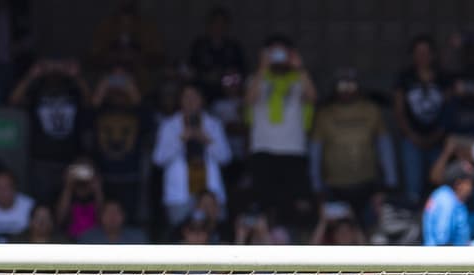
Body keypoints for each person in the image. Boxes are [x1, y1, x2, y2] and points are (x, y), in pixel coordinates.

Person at [310, 67, 397, 227]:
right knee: (338, 231)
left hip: (367, 184)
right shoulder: (325, 113)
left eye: (351, 85)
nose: (347, 90)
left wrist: (390, 181)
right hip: (335, 186)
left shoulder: (371, 109)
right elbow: (316, 150)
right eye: (342, 85)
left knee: (371, 228)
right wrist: (316, 186)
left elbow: (384, 146)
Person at [246, 34, 316, 229]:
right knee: (264, 203)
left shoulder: (299, 78)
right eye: (273, 52)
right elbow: (249, 100)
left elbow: (312, 97)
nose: (277, 57)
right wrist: (262, 67)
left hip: (293, 150)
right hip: (263, 149)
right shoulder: (256, 78)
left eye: (282, 52)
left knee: (294, 204)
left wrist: (299, 67)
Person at [9, 58, 90, 203]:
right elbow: (14, 100)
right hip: (41, 161)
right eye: (50, 65)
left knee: (72, 204)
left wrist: (77, 77)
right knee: (42, 205)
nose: (55, 69)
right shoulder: (37, 90)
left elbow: (91, 102)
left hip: (71, 161)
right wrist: (31, 76)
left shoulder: (72, 89)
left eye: (59, 65)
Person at [152, 83, 231, 228]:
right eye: (186, 97)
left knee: (214, 234)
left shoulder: (214, 124)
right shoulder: (169, 125)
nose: (190, 101)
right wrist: (180, 140)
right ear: (180, 100)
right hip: (179, 196)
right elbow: (158, 159)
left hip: (211, 194)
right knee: (180, 233)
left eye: (194, 97)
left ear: (201, 100)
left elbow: (225, 158)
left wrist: (207, 140)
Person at [88, 67, 147, 221]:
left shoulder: (137, 109)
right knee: (102, 221)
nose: (118, 86)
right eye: (114, 79)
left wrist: (131, 89)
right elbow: (85, 120)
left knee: (129, 222)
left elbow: (148, 123)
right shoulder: (100, 109)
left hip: (130, 177)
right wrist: (102, 88)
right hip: (103, 178)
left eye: (123, 80)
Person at [394, 35, 447, 204]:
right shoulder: (405, 78)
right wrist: (412, 136)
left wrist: (437, 135)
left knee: (439, 186)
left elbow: (449, 110)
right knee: (413, 188)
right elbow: (399, 111)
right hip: (411, 139)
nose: (422, 57)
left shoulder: (442, 77)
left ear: (433, 55)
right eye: (418, 52)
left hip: (437, 139)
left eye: (426, 52)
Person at [188, 6, 244, 103]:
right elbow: (190, 70)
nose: (218, 27)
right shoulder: (199, 46)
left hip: (227, 96)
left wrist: (226, 76)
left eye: (222, 24)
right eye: (215, 23)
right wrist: (205, 76)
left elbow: (241, 72)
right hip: (203, 93)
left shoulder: (234, 47)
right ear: (209, 25)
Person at [422, 161, 474, 247]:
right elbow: (442, 241)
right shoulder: (447, 202)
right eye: (470, 183)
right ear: (459, 184)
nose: (472, 187)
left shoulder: (443, 194)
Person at [78, 198, 146, 244]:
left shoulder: (138, 238)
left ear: (124, 216)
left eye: (116, 212)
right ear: (100, 216)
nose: (112, 217)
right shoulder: (88, 239)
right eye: (108, 213)